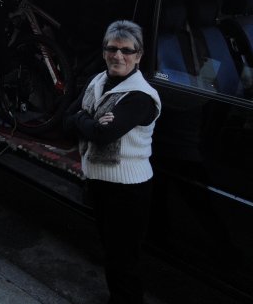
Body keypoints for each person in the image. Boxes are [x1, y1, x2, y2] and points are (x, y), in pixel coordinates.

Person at [63, 20, 161, 304]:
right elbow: (66, 121)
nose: (118, 56)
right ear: (104, 51)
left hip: (128, 190)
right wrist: (89, 121)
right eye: (112, 48)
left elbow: (104, 135)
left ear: (138, 55)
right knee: (111, 252)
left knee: (123, 259)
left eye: (126, 50)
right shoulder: (97, 81)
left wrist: (83, 119)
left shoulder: (141, 96)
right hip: (100, 182)